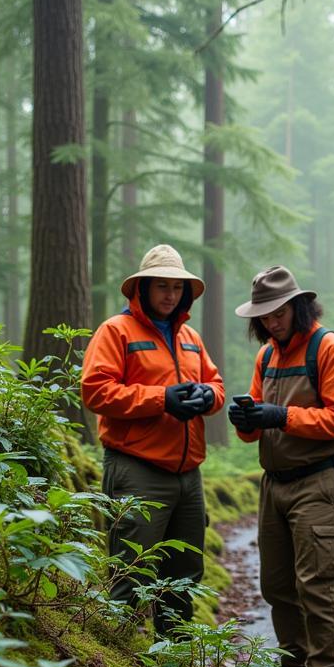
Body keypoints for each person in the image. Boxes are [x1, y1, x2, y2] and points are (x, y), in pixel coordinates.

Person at [229, 266, 334, 667]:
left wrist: (279, 416)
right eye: (264, 315)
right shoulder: (266, 357)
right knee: (278, 584)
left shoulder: (330, 348)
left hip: (319, 482)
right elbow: (256, 429)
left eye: (279, 311)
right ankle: (293, 666)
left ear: (299, 306)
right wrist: (248, 420)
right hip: (274, 484)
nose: (272, 321)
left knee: (317, 585)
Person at [81, 244, 224, 636]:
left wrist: (207, 397)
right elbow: (95, 391)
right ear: (141, 289)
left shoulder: (190, 337)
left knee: (184, 575)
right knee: (131, 572)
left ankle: (173, 666)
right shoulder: (116, 331)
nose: (169, 295)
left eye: (176, 289)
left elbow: (216, 383)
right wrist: (161, 399)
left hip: (188, 474)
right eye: (161, 286)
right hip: (137, 469)